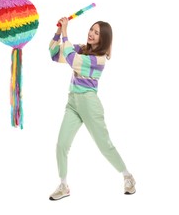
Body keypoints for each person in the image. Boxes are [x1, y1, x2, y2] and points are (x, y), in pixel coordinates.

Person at [48, 17, 136, 201]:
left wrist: (65, 32)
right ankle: (63, 185)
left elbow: (72, 60)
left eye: (96, 33)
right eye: (91, 29)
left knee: (105, 146)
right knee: (61, 145)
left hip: (89, 103)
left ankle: (128, 176)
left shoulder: (99, 59)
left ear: (103, 39)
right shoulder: (82, 48)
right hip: (72, 102)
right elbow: (55, 54)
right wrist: (58, 31)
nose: (91, 33)